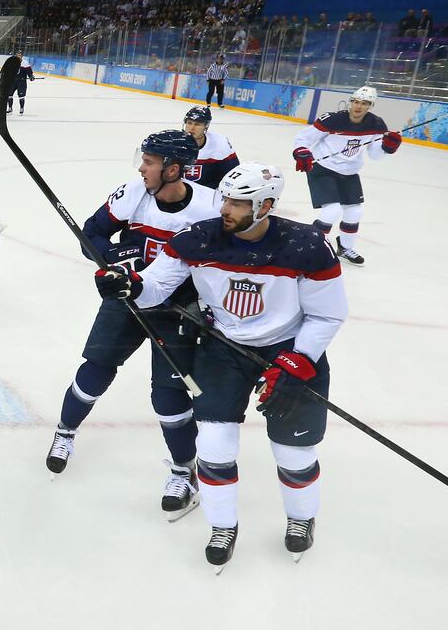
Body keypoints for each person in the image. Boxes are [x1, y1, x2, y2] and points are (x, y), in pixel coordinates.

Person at [94, 162, 347, 570]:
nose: (225, 208)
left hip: (291, 352)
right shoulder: (198, 240)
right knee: (212, 445)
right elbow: (157, 285)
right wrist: (131, 285)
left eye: (238, 203)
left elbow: (328, 314)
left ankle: (302, 518)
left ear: (265, 205)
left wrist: (296, 359)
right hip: (223, 348)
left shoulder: (306, 247)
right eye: (225, 198)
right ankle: (222, 525)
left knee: (293, 451)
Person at [46, 130, 219, 520]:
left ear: (173, 169)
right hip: (128, 297)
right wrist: (117, 262)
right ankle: (65, 433)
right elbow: (91, 234)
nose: (142, 167)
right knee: (94, 371)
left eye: (150, 161)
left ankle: (182, 472)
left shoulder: (210, 207)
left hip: (177, 310)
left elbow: (223, 261)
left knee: (168, 397)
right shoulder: (133, 194)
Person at [291, 86, 402, 265]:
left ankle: (345, 248)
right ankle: (310, 247)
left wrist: (387, 148)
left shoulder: (376, 124)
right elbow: (303, 138)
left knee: (355, 211)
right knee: (332, 210)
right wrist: (301, 151)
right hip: (323, 168)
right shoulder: (332, 120)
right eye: (356, 102)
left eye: (364, 103)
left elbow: (375, 155)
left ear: (370, 105)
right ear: (351, 102)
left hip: (350, 172)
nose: (358, 107)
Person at [181, 106, 239, 189]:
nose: (192, 128)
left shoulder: (220, 144)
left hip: (209, 195)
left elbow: (232, 176)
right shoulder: (174, 143)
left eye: (197, 124)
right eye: (189, 123)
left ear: (206, 126)